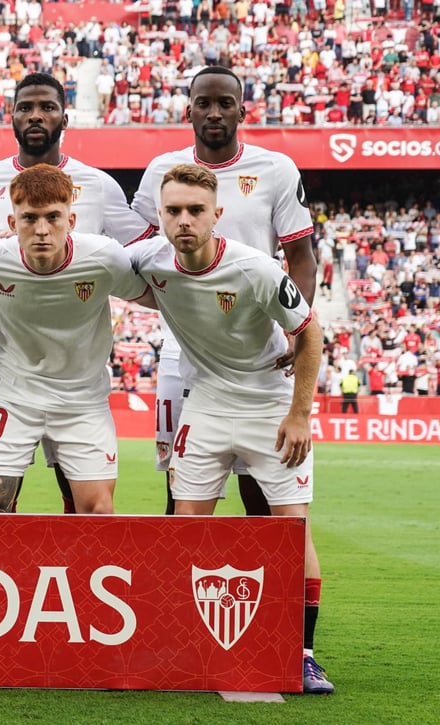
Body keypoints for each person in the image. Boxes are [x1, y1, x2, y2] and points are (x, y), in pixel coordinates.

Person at [128, 163, 333, 695]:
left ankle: (303, 654)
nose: (184, 220)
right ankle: (176, 645)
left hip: (270, 407)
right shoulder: (148, 262)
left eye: (196, 210)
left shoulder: (257, 269)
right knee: (185, 526)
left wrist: (300, 414)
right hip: (207, 406)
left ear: (218, 214)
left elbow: (310, 335)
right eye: (172, 211)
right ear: (159, 215)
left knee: (293, 529)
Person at [0, 72, 151, 514]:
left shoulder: (98, 185)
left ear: (64, 116)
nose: (36, 116)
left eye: (47, 107)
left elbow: (144, 255)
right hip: (5, 370)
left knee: (85, 506)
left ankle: (73, 582)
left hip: (79, 377)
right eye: (26, 107)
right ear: (12, 116)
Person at [132, 65, 317, 517]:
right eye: (204, 103)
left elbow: (301, 257)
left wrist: (295, 327)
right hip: (184, 346)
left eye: (224, 103)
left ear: (242, 111)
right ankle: (184, 583)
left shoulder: (275, 168)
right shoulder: (162, 170)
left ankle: (266, 585)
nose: (214, 112)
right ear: (188, 110)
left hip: (256, 343)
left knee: (261, 480)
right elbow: (139, 250)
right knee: (183, 479)